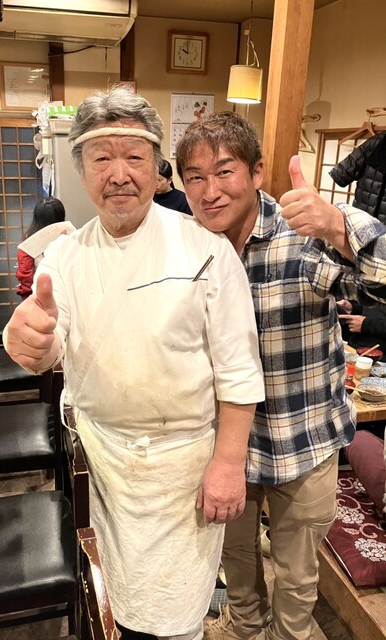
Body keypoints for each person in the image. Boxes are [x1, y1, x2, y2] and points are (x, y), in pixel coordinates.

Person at [3, 89, 265, 640]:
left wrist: (227, 463)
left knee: (178, 615)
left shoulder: (206, 249)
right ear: (81, 169)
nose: (119, 174)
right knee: (112, 602)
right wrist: (28, 341)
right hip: (103, 462)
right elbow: (50, 342)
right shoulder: (65, 256)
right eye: (102, 158)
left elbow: (239, 371)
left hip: (184, 468)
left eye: (134, 157)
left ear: (156, 166)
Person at [175, 110, 386, 640]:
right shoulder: (186, 246)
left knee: (296, 573)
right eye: (195, 177)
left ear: (256, 172)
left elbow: (379, 271)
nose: (210, 191)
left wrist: (338, 228)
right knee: (234, 557)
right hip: (223, 448)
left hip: (304, 441)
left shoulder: (305, 227)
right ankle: (245, 627)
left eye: (225, 171)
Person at [15, 196, 66, 300]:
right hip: (59, 295)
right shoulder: (69, 237)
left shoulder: (28, 242)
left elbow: (25, 275)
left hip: (39, 295)